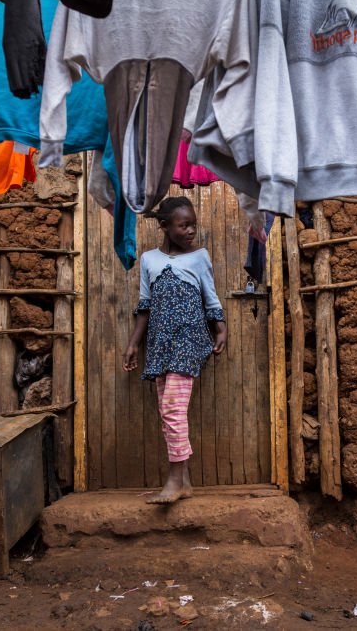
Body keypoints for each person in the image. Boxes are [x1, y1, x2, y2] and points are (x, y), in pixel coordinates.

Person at [123, 196, 227, 504]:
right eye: (184, 225)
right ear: (165, 227)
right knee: (168, 411)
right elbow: (145, 306)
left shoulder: (200, 257)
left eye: (193, 224)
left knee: (172, 409)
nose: (191, 230)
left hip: (189, 338)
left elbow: (211, 296)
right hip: (159, 342)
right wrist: (133, 344)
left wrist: (220, 328)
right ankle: (185, 480)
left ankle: (174, 479)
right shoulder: (149, 260)